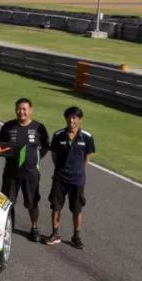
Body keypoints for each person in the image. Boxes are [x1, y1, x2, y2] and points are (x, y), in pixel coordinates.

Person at [0, 97, 50, 242]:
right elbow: (0, 146)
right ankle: (6, 226)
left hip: (31, 174)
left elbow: (45, 146)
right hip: (11, 172)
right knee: (6, 202)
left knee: (32, 203)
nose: (21, 112)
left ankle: (34, 228)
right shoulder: (7, 126)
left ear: (30, 110)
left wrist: (35, 159)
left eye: (24, 109)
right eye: (19, 109)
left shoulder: (39, 127)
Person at [45, 106, 95, 249]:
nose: (71, 120)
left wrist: (78, 171)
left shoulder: (87, 137)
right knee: (56, 206)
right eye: (69, 117)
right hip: (60, 178)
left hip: (77, 180)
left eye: (74, 118)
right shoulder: (58, 135)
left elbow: (87, 157)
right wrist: (61, 169)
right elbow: (54, 155)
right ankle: (55, 234)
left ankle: (76, 237)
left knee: (77, 209)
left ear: (80, 120)